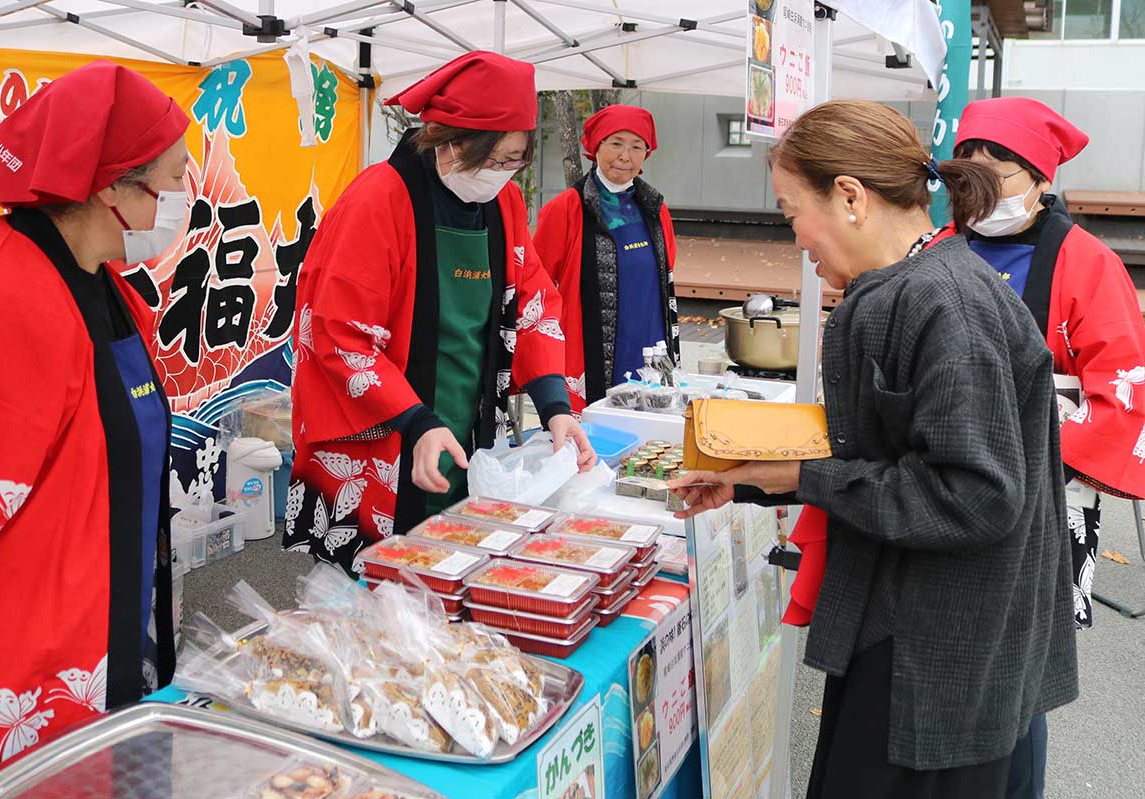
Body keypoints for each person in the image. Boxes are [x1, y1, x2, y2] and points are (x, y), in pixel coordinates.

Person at [671, 100, 1078, 798]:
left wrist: (806, 475)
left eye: (792, 209)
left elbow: (975, 493)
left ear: (851, 197)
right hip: (931, 648)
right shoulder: (924, 285)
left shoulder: (943, 300)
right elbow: (894, 451)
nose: (799, 238)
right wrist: (756, 480)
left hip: (937, 666)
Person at [0, 61, 190, 788]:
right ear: (110, 184)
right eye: (170, 182)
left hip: (95, 654)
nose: (182, 203)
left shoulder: (103, 285)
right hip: (6, 691)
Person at [284, 51, 595, 574]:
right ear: (449, 141)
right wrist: (416, 420)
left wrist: (554, 404)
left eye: (515, 159)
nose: (503, 174)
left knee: (449, 586)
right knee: (370, 603)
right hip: (379, 440)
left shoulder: (505, 204)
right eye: (493, 159)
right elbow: (338, 332)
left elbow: (535, 301)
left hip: (462, 427)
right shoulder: (379, 198)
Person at [953, 96, 1145, 799]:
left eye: (993, 163)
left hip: (1048, 486)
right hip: (944, 481)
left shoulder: (1088, 262)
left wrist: (1030, 437)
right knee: (949, 644)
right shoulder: (941, 244)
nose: (973, 175)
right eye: (964, 161)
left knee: (1021, 668)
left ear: (1037, 174)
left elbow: (1125, 387)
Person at [533, 105, 678, 411]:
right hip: (587, 350)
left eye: (637, 146)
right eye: (616, 144)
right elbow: (537, 285)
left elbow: (668, 270)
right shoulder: (566, 209)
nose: (625, 156)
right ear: (595, 147)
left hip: (649, 343)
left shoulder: (655, 208)